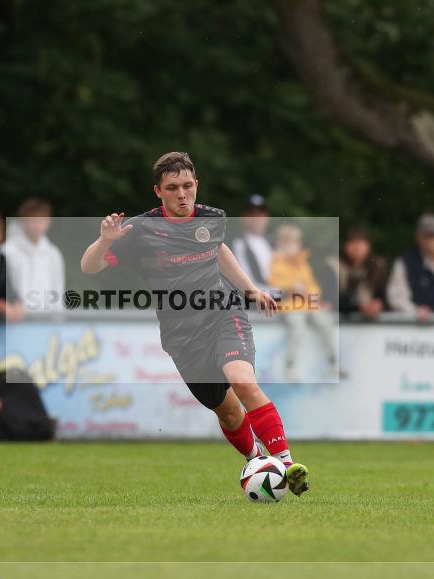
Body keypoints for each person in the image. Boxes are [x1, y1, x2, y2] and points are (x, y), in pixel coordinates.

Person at [81, 151, 310, 496]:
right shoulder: (140, 230)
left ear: (197, 185)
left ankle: (287, 464)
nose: (182, 194)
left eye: (188, 185)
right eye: (173, 188)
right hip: (182, 337)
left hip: (223, 314)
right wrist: (104, 242)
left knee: (242, 381)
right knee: (230, 412)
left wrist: (249, 290)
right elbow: (89, 267)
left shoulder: (212, 217)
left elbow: (218, 251)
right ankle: (257, 460)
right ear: (158, 191)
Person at [267, 224, 344, 381]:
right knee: (297, 327)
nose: (290, 247)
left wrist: (310, 294)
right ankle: (290, 367)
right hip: (288, 307)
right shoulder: (274, 262)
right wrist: (291, 289)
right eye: (286, 243)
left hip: (308, 304)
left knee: (326, 323)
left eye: (294, 243)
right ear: (278, 244)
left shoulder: (302, 263)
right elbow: (273, 288)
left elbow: (314, 286)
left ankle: (333, 363)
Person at [6, 198, 65, 313]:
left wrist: (58, 320)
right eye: (32, 219)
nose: (37, 224)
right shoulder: (8, 252)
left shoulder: (53, 254)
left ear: (48, 222)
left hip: (44, 324)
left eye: (41, 219)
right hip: (15, 321)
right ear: (23, 221)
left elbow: (58, 291)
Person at [338, 227, 387, 319]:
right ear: (345, 246)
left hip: (370, 323)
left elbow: (383, 297)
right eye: (352, 242)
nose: (357, 247)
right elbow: (332, 300)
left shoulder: (376, 267)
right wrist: (360, 307)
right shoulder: (336, 267)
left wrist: (377, 305)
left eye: (361, 242)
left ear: (368, 246)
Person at [230, 194, 272, 287]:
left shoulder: (271, 243)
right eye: (252, 214)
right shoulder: (240, 245)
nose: (257, 218)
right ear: (244, 217)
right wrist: (284, 293)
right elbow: (250, 285)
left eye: (261, 214)